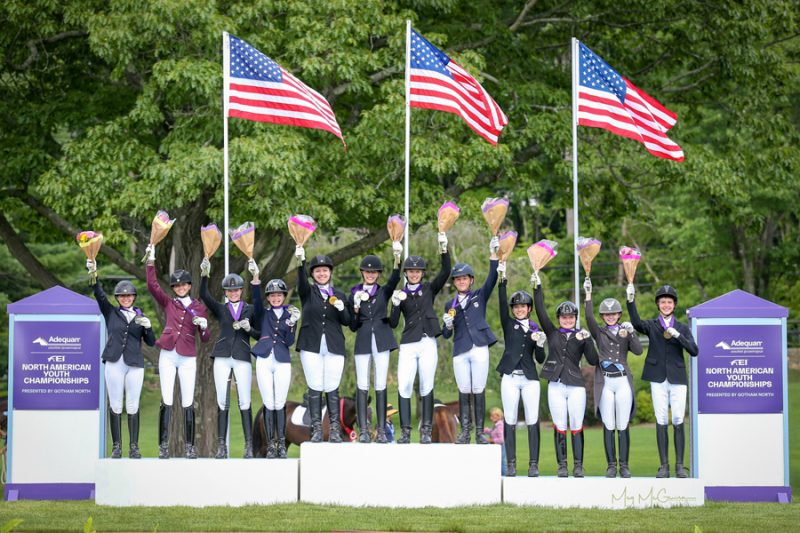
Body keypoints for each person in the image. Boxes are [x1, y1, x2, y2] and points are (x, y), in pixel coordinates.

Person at [145, 244, 211, 459]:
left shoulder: (199, 307)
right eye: (177, 285)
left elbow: (206, 338)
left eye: (184, 284)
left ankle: (190, 447)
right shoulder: (169, 303)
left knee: (188, 401)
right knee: (167, 399)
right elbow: (152, 285)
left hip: (188, 356)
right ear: (174, 287)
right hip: (168, 354)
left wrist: (203, 326)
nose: (181, 287)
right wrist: (150, 262)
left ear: (190, 286)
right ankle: (163, 446)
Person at [627, 283, 698, 478]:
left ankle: (680, 466)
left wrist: (678, 336)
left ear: (674, 305)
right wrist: (630, 300)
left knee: (677, 418)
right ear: (658, 304)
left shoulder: (682, 327)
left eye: (669, 302)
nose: (666, 305)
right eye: (662, 302)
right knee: (661, 419)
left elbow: (694, 350)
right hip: (657, 377)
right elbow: (635, 322)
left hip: (677, 377)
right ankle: (664, 466)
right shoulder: (652, 325)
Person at [532, 270, 598, 477]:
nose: (567, 320)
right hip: (556, 384)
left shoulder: (581, 335)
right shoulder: (552, 333)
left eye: (571, 317)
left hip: (576, 384)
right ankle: (562, 465)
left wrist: (587, 341)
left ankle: (578, 465)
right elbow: (541, 310)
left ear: (575, 318)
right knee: (560, 424)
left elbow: (594, 361)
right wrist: (537, 286)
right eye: (564, 317)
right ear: (559, 318)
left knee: (576, 424)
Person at [87, 260, 155, 459]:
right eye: (122, 296)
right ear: (118, 298)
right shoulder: (110, 312)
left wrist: (148, 326)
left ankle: (134, 447)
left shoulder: (140, 316)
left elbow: (151, 343)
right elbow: (99, 294)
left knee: (132, 405)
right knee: (115, 404)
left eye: (129, 295)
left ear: (134, 297)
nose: (126, 298)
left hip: (135, 363)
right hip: (114, 362)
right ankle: (117, 446)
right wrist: (93, 273)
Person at [388, 232, 451, 444]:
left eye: (417, 271)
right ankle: (405, 431)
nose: (414, 274)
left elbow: (446, 271)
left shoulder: (429, 289)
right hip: (408, 343)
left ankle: (425, 429)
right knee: (404, 384)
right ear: (406, 273)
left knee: (426, 385)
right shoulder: (401, 293)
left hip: (428, 342)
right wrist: (395, 304)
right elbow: (394, 322)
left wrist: (443, 247)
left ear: (422, 273)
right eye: (411, 271)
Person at [199, 257, 261, 459]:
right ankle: (221, 446)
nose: (233, 293)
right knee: (222, 401)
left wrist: (249, 328)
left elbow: (259, 334)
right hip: (223, 356)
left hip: (242, 355)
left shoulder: (250, 309)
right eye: (229, 290)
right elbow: (203, 295)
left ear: (241, 291)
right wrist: (204, 275)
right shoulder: (221, 308)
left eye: (236, 290)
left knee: (245, 400)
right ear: (225, 292)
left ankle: (248, 446)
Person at [442, 236, 500, 444]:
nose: (461, 281)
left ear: (471, 280)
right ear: (455, 282)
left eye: (464, 278)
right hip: (460, 349)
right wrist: (448, 324)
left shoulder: (479, 296)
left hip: (479, 347)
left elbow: (492, 279)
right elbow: (446, 334)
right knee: (464, 390)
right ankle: (465, 431)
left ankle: (479, 433)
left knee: (478, 389)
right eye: (458, 279)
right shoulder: (450, 303)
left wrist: (494, 255)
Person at [584, 278, 642, 478]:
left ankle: (624, 465)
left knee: (623, 423)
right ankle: (611, 465)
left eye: (613, 313)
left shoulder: (625, 331)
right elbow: (589, 317)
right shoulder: (599, 333)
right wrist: (588, 296)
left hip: (622, 380)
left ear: (619, 314)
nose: (610, 317)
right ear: (603, 316)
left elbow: (638, 350)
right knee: (609, 423)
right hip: (606, 381)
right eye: (607, 314)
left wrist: (632, 333)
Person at [294, 246, 352, 443]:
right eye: (317, 270)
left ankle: (334, 428)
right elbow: (301, 282)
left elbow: (347, 321)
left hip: (334, 345)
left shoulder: (340, 294)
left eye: (325, 270)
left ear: (330, 272)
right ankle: (316, 428)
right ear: (313, 274)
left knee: (332, 386)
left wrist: (342, 308)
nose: (321, 273)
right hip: (311, 345)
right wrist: (301, 262)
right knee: (315, 386)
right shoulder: (307, 292)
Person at [348, 245, 402, 443]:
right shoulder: (353, 292)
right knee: (363, 384)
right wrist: (354, 308)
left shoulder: (384, 291)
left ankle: (380, 429)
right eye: (367, 271)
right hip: (363, 339)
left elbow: (395, 278)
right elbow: (353, 326)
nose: (370, 275)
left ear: (378, 274)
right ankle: (363, 429)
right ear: (362, 272)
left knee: (380, 384)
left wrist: (397, 256)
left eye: (374, 272)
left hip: (381, 339)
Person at [497, 274, 547, 477]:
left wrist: (541, 344)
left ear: (529, 309)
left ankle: (533, 464)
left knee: (532, 419)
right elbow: (501, 304)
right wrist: (502, 281)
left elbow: (541, 359)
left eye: (523, 306)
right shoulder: (509, 324)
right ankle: (511, 464)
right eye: (516, 307)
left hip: (529, 379)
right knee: (509, 419)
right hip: (510, 377)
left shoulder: (536, 330)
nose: (519, 309)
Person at [251, 276, 299, 458]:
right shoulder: (264, 313)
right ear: (268, 298)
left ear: (284, 296)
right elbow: (256, 303)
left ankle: (280, 444)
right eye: (272, 295)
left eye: (279, 295)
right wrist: (256, 284)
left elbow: (289, 341)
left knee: (280, 403)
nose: (276, 298)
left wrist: (293, 324)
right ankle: (270, 444)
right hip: (264, 358)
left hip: (282, 358)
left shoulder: (290, 315)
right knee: (268, 403)